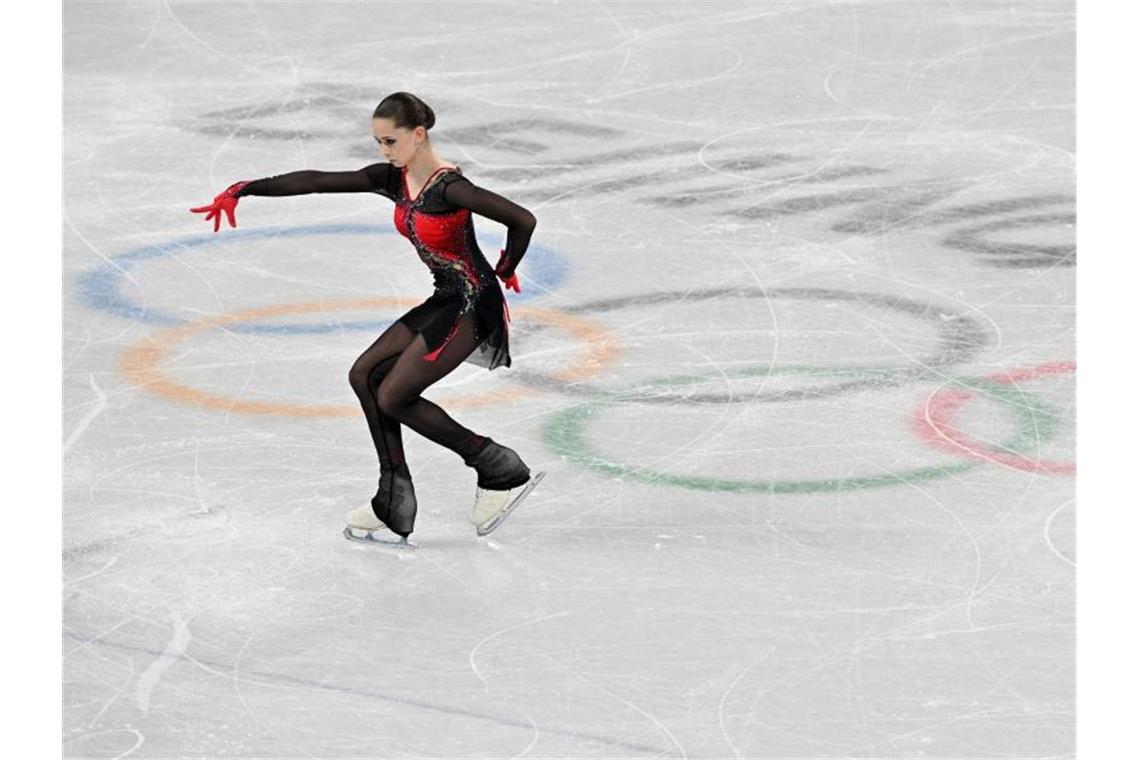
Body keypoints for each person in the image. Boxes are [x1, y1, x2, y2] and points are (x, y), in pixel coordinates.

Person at [190, 91, 545, 547]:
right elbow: (317, 180)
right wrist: (245, 188)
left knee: (395, 395)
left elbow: (523, 219)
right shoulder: (393, 180)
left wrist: (508, 266)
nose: (383, 152)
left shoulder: (449, 188)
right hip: (445, 298)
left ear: (418, 135)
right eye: (378, 142)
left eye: (391, 142)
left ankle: (498, 468)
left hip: (474, 303)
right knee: (365, 374)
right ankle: (393, 498)